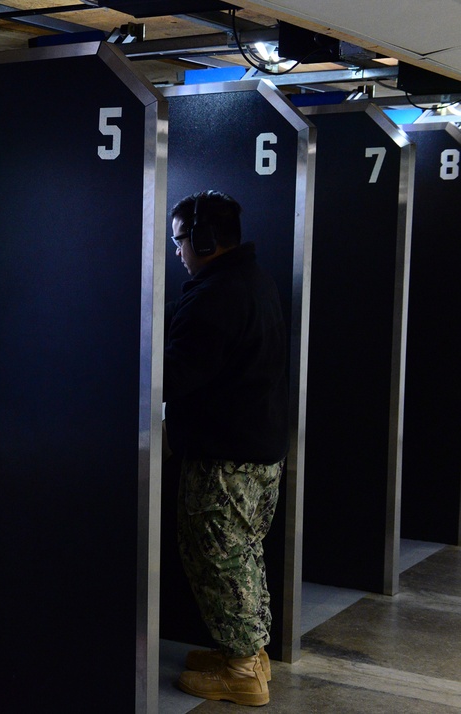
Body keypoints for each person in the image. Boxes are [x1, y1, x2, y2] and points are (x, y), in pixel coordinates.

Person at [163, 190, 288, 707]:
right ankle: (249, 651)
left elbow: (173, 374)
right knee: (243, 556)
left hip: (224, 461)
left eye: (181, 241)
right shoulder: (249, 280)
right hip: (256, 452)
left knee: (219, 561)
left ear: (205, 239)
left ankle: (242, 672)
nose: (178, 252)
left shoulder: (216, 295)